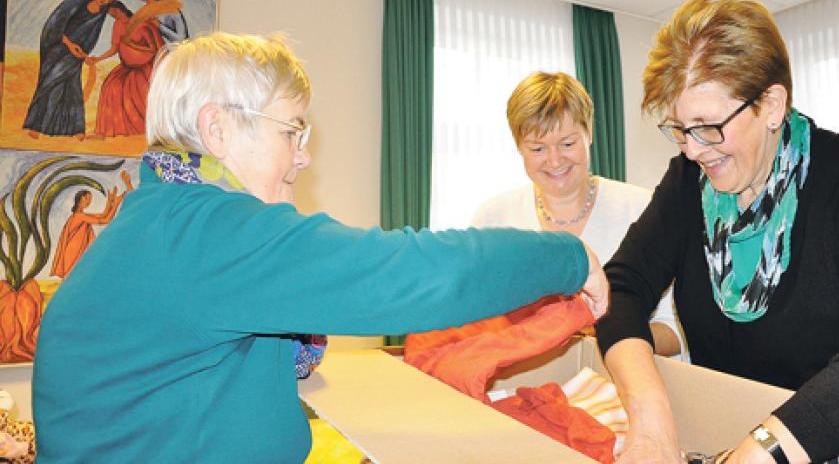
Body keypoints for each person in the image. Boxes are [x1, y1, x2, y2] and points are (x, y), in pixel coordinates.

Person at [32, 32, 609, 463]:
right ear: (218, 130)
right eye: (291, 132)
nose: (303, 156)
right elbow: (414, 272)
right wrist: (567, 255)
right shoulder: (209, 232)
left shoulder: (162, 216)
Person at [594, 0, 839, 464]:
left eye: (708, 126)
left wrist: (769, 448)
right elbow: (619, 289)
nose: (692, 150)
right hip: (734, 435)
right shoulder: (686, 186)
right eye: (680, 129)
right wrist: (651, 418)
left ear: (771, 104)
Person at [473, 71, 684, 358]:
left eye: (568, 143)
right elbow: (474, 325)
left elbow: (676, 334)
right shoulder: (492, 219)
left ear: (589, 133)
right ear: (518, 147)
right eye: (537, 148)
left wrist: (602, 336)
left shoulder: (643, 209)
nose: (555, 160)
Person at [22, 0, 118, 140]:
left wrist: (83, 53)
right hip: (59, 49)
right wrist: (70, 45)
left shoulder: (100, 14)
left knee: (72, 88)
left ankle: (76, 129)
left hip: (77, 54)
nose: (105, 0)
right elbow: (56, 26)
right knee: (51, 83)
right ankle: (36, 126)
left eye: (109, 0)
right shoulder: (77, 4)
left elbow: (91, 35)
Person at [87, 1, 164, 138]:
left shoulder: (142, 24)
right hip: (127, 67)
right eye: (110, 13)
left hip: (146, 67)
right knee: (110, 86)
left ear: (120, 9)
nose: (112, 15)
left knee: (135, 90)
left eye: (112, 12)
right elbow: (114, 48)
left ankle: (143, 130)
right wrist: (97, 59)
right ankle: (110, 131)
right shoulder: (117, 25)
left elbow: (154, 50)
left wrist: (133, 45)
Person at [49, 170, 133, 278]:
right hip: (72, 254)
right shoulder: (79, 216)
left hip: (75, 252)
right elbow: (105, 220)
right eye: (88, 198)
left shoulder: (79, 215)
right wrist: (115, 204)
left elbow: (103, 215)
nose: (89, 201)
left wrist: (111, 201)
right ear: (82, 198)